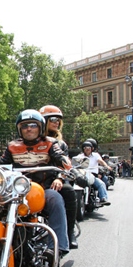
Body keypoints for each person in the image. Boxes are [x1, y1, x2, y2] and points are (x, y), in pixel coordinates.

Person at [0, 109, 70, 257]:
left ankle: (56, 248)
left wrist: (60, 177)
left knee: (55, 199)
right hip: (16, 191)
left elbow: (62, 160)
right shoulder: (12, 146)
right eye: (24, 126)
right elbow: (1, 165)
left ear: (41, 127)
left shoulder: (50, 143)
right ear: (19, 129)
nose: (29, 128)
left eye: (33, 125)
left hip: (43, 189)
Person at [39, 104, 78, 250]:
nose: (57, 122)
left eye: (58, 120)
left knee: (68, 191)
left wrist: (60, 178)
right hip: (34, 182)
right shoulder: (31, 141)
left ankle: (69, 232)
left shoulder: (61, 144)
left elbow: (65, 164)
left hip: (54, 180)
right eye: (53, 119)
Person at [74, 141, 111, 205]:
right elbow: (74, 164)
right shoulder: (80, 156)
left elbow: (100, 161)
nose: (87, 149)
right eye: (85, 148)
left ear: (92, 148)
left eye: (89, 148)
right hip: (82, 174)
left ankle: (103, 198)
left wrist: (106, 166)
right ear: (83, 149)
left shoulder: (96, 155)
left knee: (101, 184)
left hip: (92, 175)